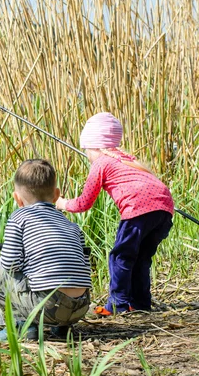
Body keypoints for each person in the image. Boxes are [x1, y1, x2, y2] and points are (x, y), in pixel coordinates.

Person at [55, 112, 174, 316]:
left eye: (86, 151)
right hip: (164, 210)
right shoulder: (127, 159)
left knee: (121, 257)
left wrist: (62, 203)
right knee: (141, 259)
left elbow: (84, 203)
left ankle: (117, 305)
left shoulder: (101, 164)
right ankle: (141, 304)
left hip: (138, 210)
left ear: (94, 146)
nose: (87, 157)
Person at [0, 159, 92, 341]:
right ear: (56, 195)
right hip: (80, 308)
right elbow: (84, 264)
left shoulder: (19, 217)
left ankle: (19, 326)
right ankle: (62, 329)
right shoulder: (71, 225)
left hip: (46, 308)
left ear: (17, 198)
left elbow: (9, 264)